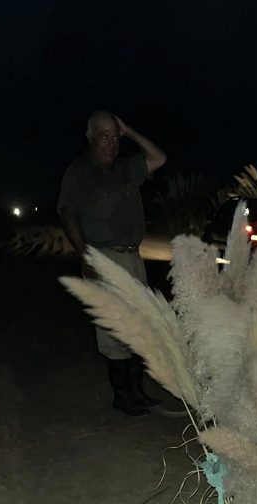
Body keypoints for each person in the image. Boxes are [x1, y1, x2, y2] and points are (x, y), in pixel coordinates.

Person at [58, 110, 181, 416]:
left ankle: (138, 392)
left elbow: (160, 158)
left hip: (132, 257)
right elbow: (67, 214)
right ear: (90, 137)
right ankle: (123, 396)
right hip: (104, 258)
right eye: (104, 136)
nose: (111, 144)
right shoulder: (79, 172)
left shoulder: (127, 168)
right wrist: (85, 254)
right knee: (114, 328)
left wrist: (130, 132)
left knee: (140, 324)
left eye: (115, 137)